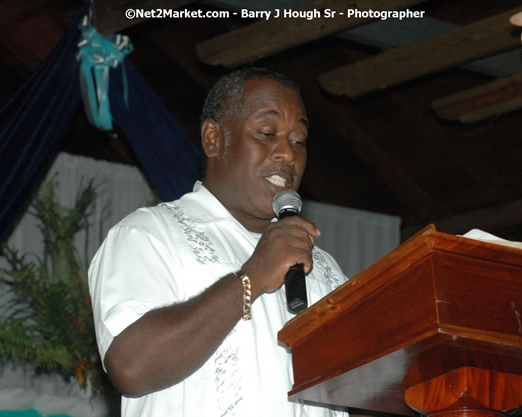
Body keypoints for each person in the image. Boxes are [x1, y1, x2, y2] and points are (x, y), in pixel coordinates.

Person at [88, 67, 349, 417]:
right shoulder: (149, 234)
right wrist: (252, 277)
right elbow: (131, 367)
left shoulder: (325, 269)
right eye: (267, 132)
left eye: (298, 140)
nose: (287, 154)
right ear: (214, 139)